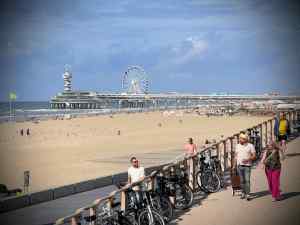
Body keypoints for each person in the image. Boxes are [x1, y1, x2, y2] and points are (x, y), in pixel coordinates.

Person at [233, 133, 256, 201]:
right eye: (239, 138)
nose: (240, 140)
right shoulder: (237, 146)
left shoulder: (250, 146)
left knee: (247, 180)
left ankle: (248, 194)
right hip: (239, 166)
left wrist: (248, 159)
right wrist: (234, 165)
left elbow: (254, 155)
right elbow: (235, 156)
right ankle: (243, 192)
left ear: (245, 139)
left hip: (247, 166)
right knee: (242, 181)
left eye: (241, 139)